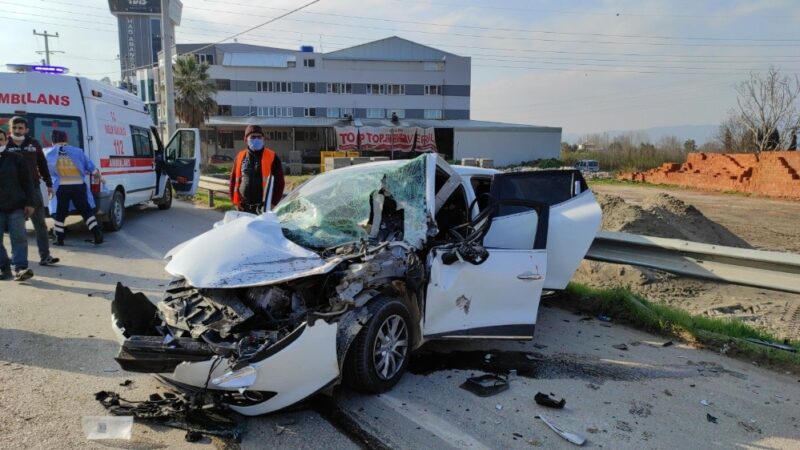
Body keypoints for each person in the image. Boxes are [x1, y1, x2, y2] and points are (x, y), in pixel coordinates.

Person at [5, 116, 59, 266]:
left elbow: (42, 165)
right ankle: (16, 258)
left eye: (20, 128)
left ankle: (45, 256)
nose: (17, 130)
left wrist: (49, 184)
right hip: (12, 191)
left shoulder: (34, 144)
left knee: (40, 224)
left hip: (33, 189)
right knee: (16, 227)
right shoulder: (5, 145)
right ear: (10, 129)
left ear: (26, 129)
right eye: (14, 128)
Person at [45, 130, 104, 245]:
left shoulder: (48, 152)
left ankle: (59, 238)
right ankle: (97, 234)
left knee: (60, 212)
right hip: (78, 185)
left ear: (53, 141)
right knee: (86, 211)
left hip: (61, 186)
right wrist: (100, 178)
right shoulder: (78, 151)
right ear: (66, 140)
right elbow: (92, 169)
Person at [0, 129, 36, 281]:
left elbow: (27, 182)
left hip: (16, 206)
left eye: (0, 139)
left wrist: (30, 202)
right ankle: (4, 267)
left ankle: (20, 269)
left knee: (19, 237)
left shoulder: (16, 159)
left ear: (6, 141)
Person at [228, 125, 285, 214]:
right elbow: (233, 181)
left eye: (259, 137)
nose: (256, 139)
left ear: (263, 139)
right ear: (246, 139)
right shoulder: (240, 157)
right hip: (243, 208)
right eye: (253, 137)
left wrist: (273, 203)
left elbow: (280, 183)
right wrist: (234, 201)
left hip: (263, 208)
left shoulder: (272, 156)